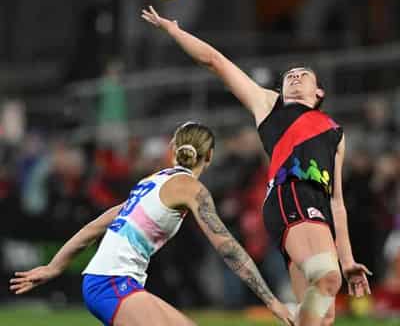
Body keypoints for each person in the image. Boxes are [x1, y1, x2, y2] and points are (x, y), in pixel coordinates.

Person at [141, 6, 372, 326]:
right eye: (288, 76)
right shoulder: (269, 105)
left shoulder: (335, 133)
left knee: (324, 316)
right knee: (327, 280)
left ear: (319, 92)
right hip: (289, 196)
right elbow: (215, 62)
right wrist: (175, 32)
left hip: (315, 207)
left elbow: (337, 202)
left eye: (302, 75)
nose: (293, 78)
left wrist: (348, 260)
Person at [10, 122, 294, 326]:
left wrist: (54, 267)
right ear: (209, 157)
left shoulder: (151, 181)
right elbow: (228, 247)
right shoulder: (191, 189)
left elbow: (95, 226)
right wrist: (271, 301)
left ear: (173, 149)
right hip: (111, 283)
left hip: (112, 282)